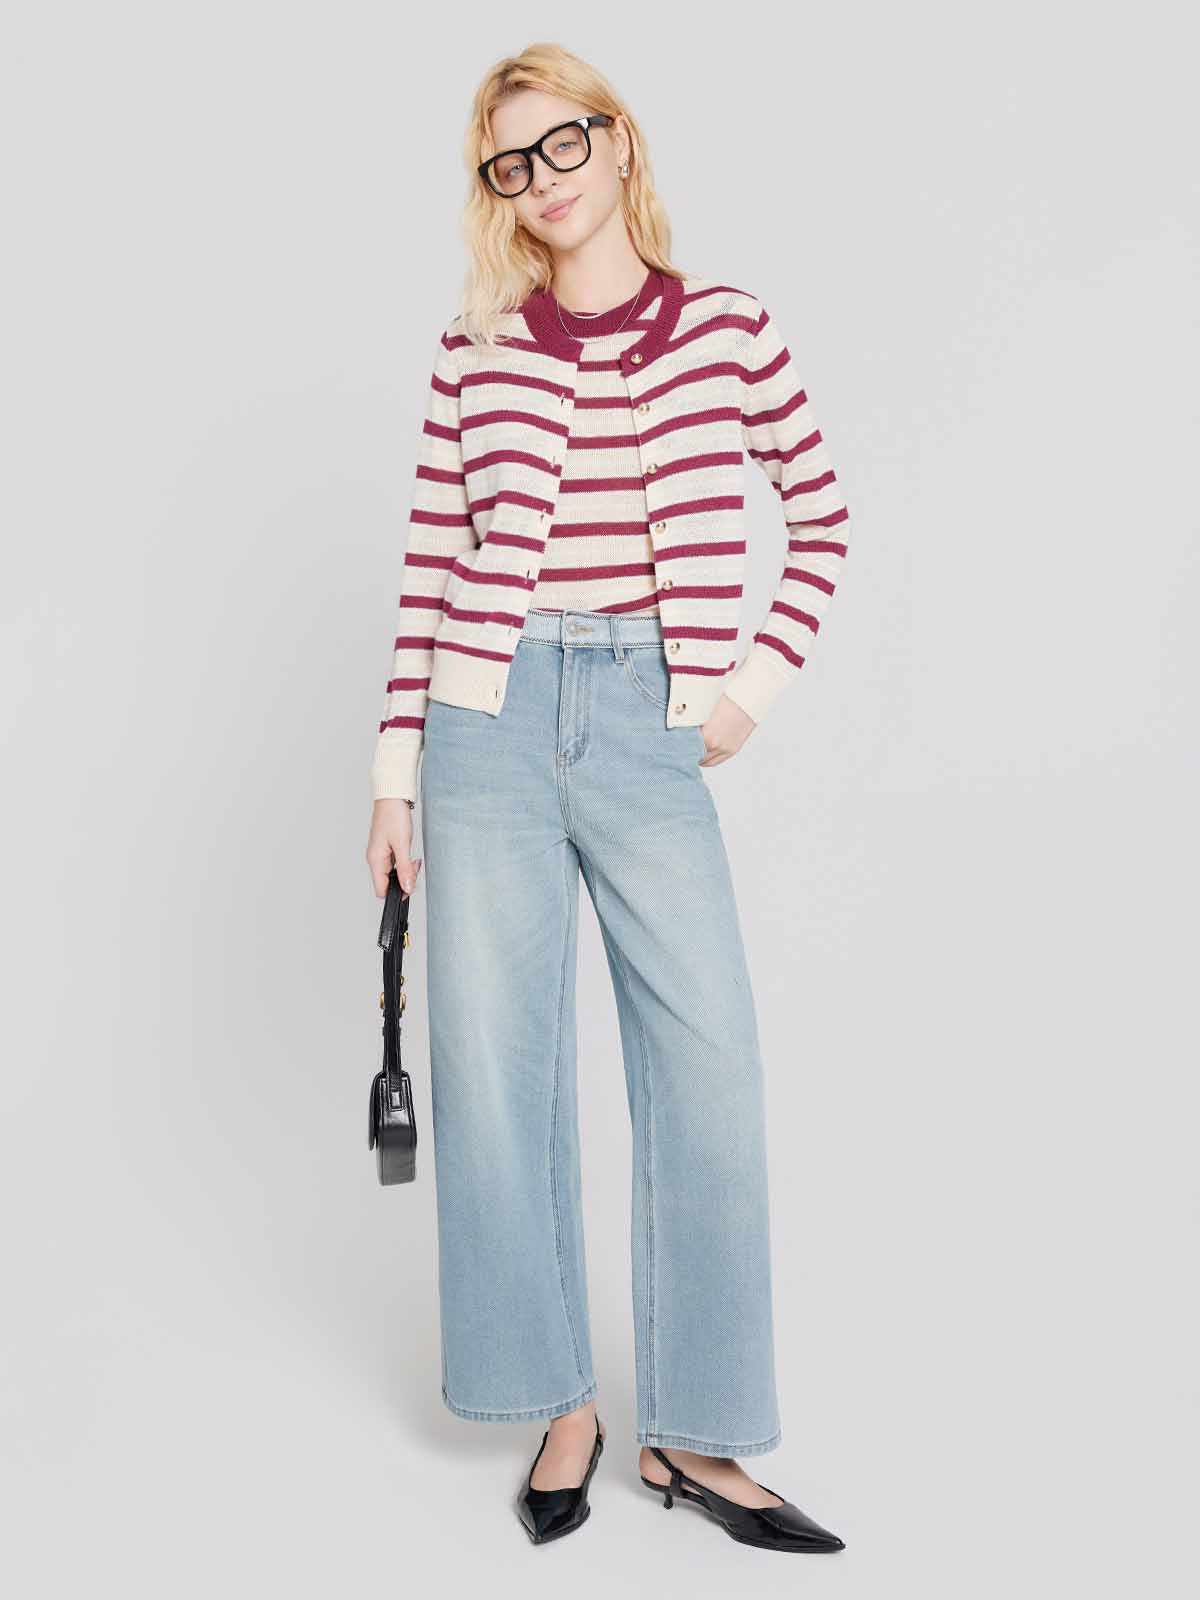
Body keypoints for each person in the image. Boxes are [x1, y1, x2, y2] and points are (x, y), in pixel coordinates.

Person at [365, 42, 851, 1553]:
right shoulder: (474, 351)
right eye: (511, 163)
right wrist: (393, 777)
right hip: (486, 719)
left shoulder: (729, 328)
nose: (543, 180)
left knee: (708, 1065)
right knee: (496, 1071)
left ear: (619, 141)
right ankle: (558, 1403)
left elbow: (823, 517)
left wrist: (747, 687)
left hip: (649, 714)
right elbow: (430, 568)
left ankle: (695, 1434)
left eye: (562, 144)